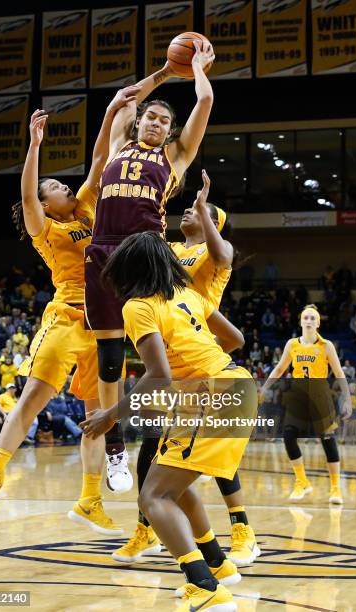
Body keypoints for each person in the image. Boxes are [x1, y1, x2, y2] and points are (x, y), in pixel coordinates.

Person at [0, 86, 138, 529]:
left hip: (104, 326)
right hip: (66, 319)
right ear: (47, 204)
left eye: (64, 184)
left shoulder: (84, 211)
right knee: (31, 400)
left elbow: (101, 160)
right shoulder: (45, 229)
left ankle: (88, 500)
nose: (65, 186)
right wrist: (34, 145)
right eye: (56, 187)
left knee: (95, 417)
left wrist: (109, 116)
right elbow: (28, 197)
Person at [81, 232, 258, 612]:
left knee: (153, 496)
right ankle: (219, 566)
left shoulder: (137, 306)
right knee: (172, 483)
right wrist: (191, 367)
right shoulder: (190, 295)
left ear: (130, 268)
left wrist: (108, 416)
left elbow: (158, 373)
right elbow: (236, 339)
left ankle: (205, 587)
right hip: (234, 383)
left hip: (212, 395)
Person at [83, 42, 215, 488]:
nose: (157, 123)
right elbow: (121, 100)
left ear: (171, 131)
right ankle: (115, 447)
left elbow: (206, 100)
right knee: (108, 356)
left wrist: (196, 68)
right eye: (151, 117)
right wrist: (162, 72)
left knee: (160, 352)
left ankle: (170, 431)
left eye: (165, 121)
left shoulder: (175, 157)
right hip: (102, 248)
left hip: (146, 251)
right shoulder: (119, 142)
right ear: (140, 121)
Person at [113, 171, 259, 568]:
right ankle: (161, 535)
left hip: (199, 352)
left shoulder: (214, 249)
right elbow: (143, 243)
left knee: (185, 459)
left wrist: (205, 208)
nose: (188, 214)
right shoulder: (171, 254)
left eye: (197, 212)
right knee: (160, 451)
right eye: (188, 210)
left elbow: (225, 256)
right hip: (181, 349)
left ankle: (235, 532)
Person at [261, 304, 352, 504]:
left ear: (318, 323)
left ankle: (336, 489)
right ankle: (302, 481)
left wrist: (346, 398)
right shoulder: (292, 344)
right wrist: (265, 387)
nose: (309, 321)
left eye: (313, 318)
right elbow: (279, 369)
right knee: (288, 436)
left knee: (327, 439)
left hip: (320, 394)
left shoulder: (326, 345)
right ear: (301, 321)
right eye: (306, 318)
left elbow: (339, 373)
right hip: (298, 395)